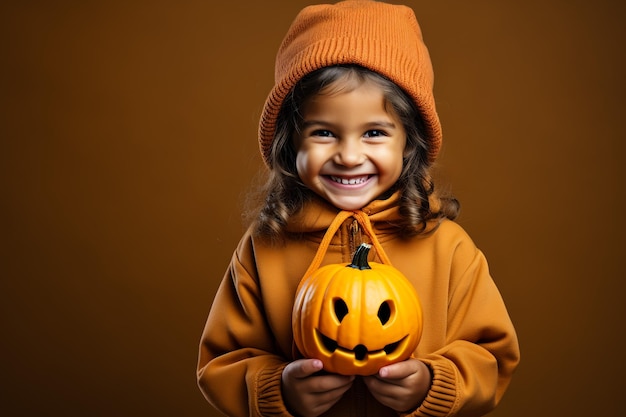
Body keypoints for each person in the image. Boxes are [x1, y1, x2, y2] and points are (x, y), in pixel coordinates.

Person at [196, 1, 520, 416]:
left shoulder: (448, 248)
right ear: (291, 142)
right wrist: (278, 389)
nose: (349, 156)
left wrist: (433, 384)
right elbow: (221, 360)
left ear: (409, 144)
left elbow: (491, 355)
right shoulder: (264, 248)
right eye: (324, 133)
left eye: (374, 133)